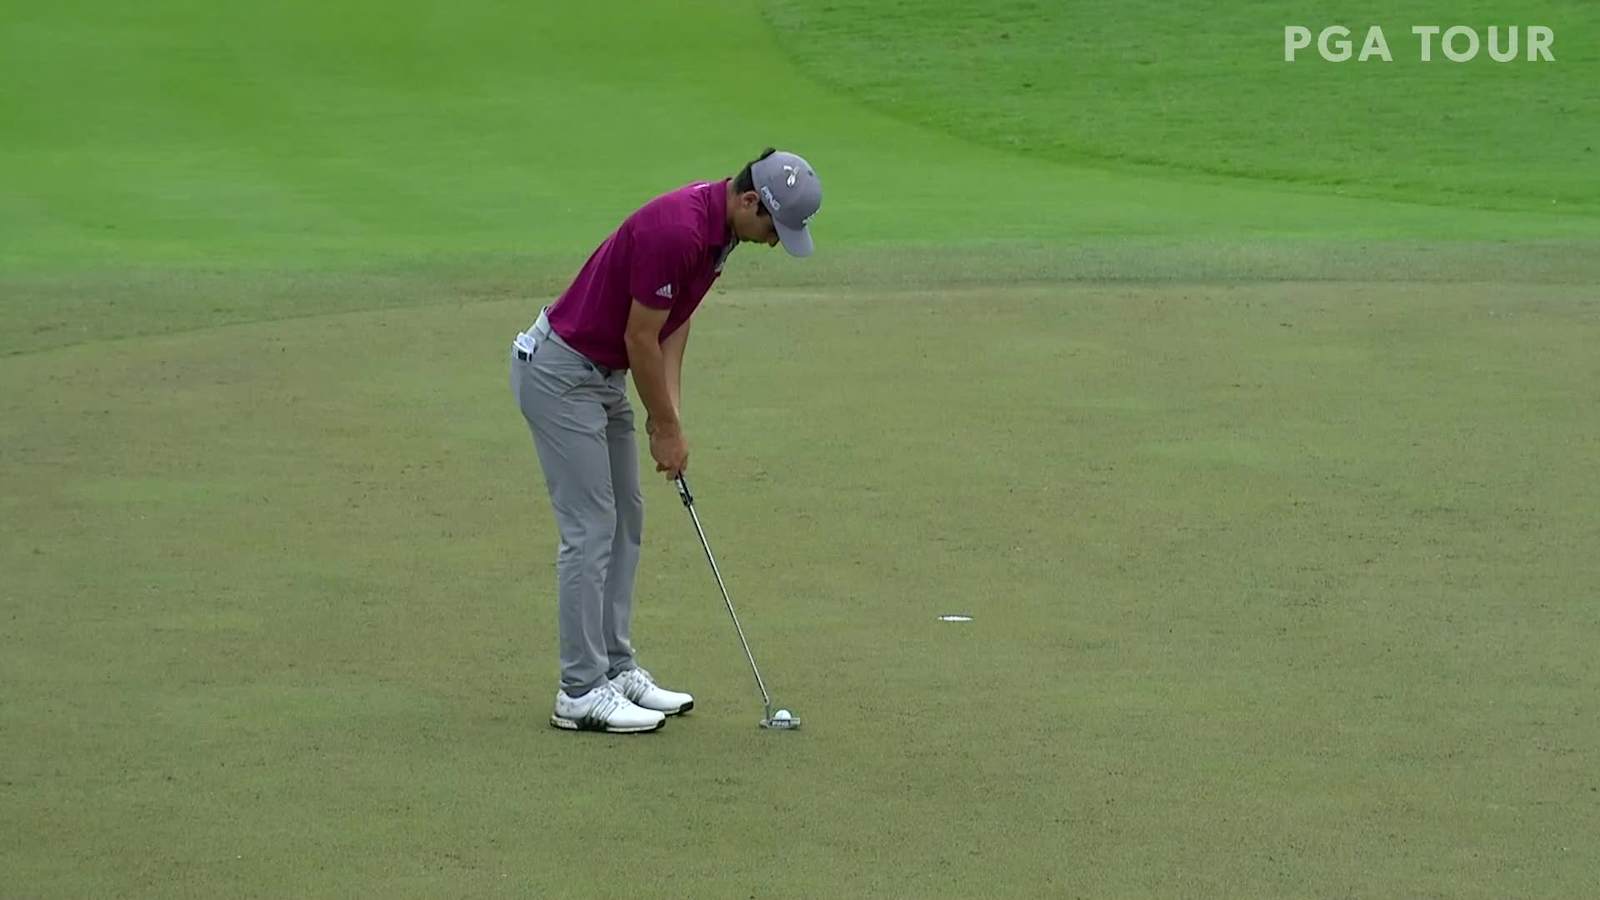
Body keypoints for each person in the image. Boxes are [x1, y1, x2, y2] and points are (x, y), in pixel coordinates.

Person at [509, 148, 823, 733]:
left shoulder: (720, 237)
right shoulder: (680, 231)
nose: (774, 242)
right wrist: (666, 428)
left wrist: (668, 419)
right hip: (560, 375)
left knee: (625, 517)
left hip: (601, 377)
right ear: (749, 201)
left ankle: (615, 667)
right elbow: (640, 338)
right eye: (773, 229)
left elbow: (674, 324)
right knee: (590, 526)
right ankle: (579, 690)